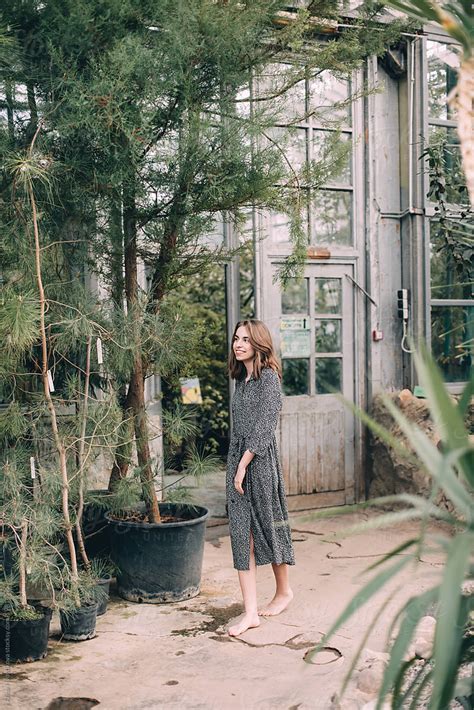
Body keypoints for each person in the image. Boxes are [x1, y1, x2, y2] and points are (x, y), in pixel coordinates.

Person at [226, 319, 295, 637]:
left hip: (260, 463)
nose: (238, 344)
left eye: (245, 339)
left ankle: (284, 591)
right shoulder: (242, 380)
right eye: (236, 339)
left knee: (268, 527)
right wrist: (236, 464)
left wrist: (244, 464)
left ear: (259, 344)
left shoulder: (269, 379)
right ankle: (250, 612)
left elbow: (265, 427)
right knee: (243, 537)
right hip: (237, 462)